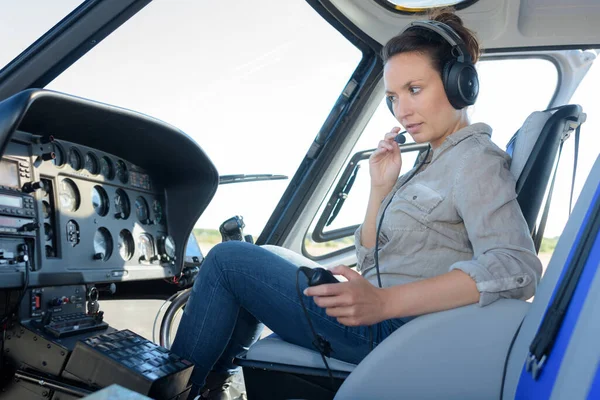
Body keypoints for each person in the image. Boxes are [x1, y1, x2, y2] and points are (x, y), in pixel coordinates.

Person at [171, 8, 543, 399]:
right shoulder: (433, 161)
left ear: (459, 85)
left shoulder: (474, 160)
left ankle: (170, 393)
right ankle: (210, 386)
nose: (402, 110)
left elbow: (516, 266)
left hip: (398, 331)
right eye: (393, 98)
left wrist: (385, 302)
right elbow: (373, 262)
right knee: (263, 255)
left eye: (414, 90)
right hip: (386, 318)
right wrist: (380, 189)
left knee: (228, 261)